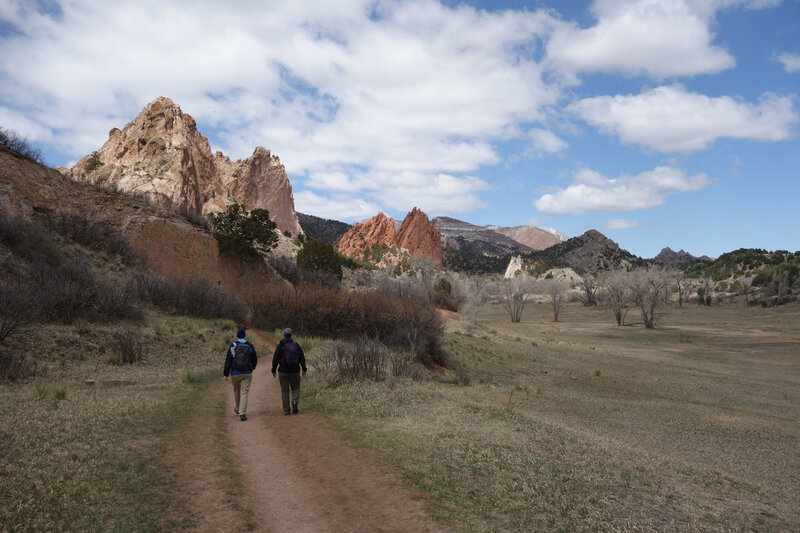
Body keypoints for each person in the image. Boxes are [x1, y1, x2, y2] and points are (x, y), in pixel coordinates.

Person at [223, 327, 257, 421]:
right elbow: (254, 359)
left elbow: (228, 360)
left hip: (235, 373)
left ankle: (238, 409)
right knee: (244, 393)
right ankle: (242, 413)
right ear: (244, 335)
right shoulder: (249, 345)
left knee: (237, 392)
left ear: (237, 335)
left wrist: (226, 373)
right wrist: (251, 368)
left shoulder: (233, 345)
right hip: (247, 372)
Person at [271, 328, 307, 415]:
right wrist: (304, 369)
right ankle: (294, 401)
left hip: (283, 371)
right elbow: (302, 358)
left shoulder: (280, 345)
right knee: (296, 388)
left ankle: (286, 409)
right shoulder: (296, 345)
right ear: (291, 335)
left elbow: (275, 358)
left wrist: (274, 369)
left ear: (283, 335)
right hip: (295, 371)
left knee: (284, 390)